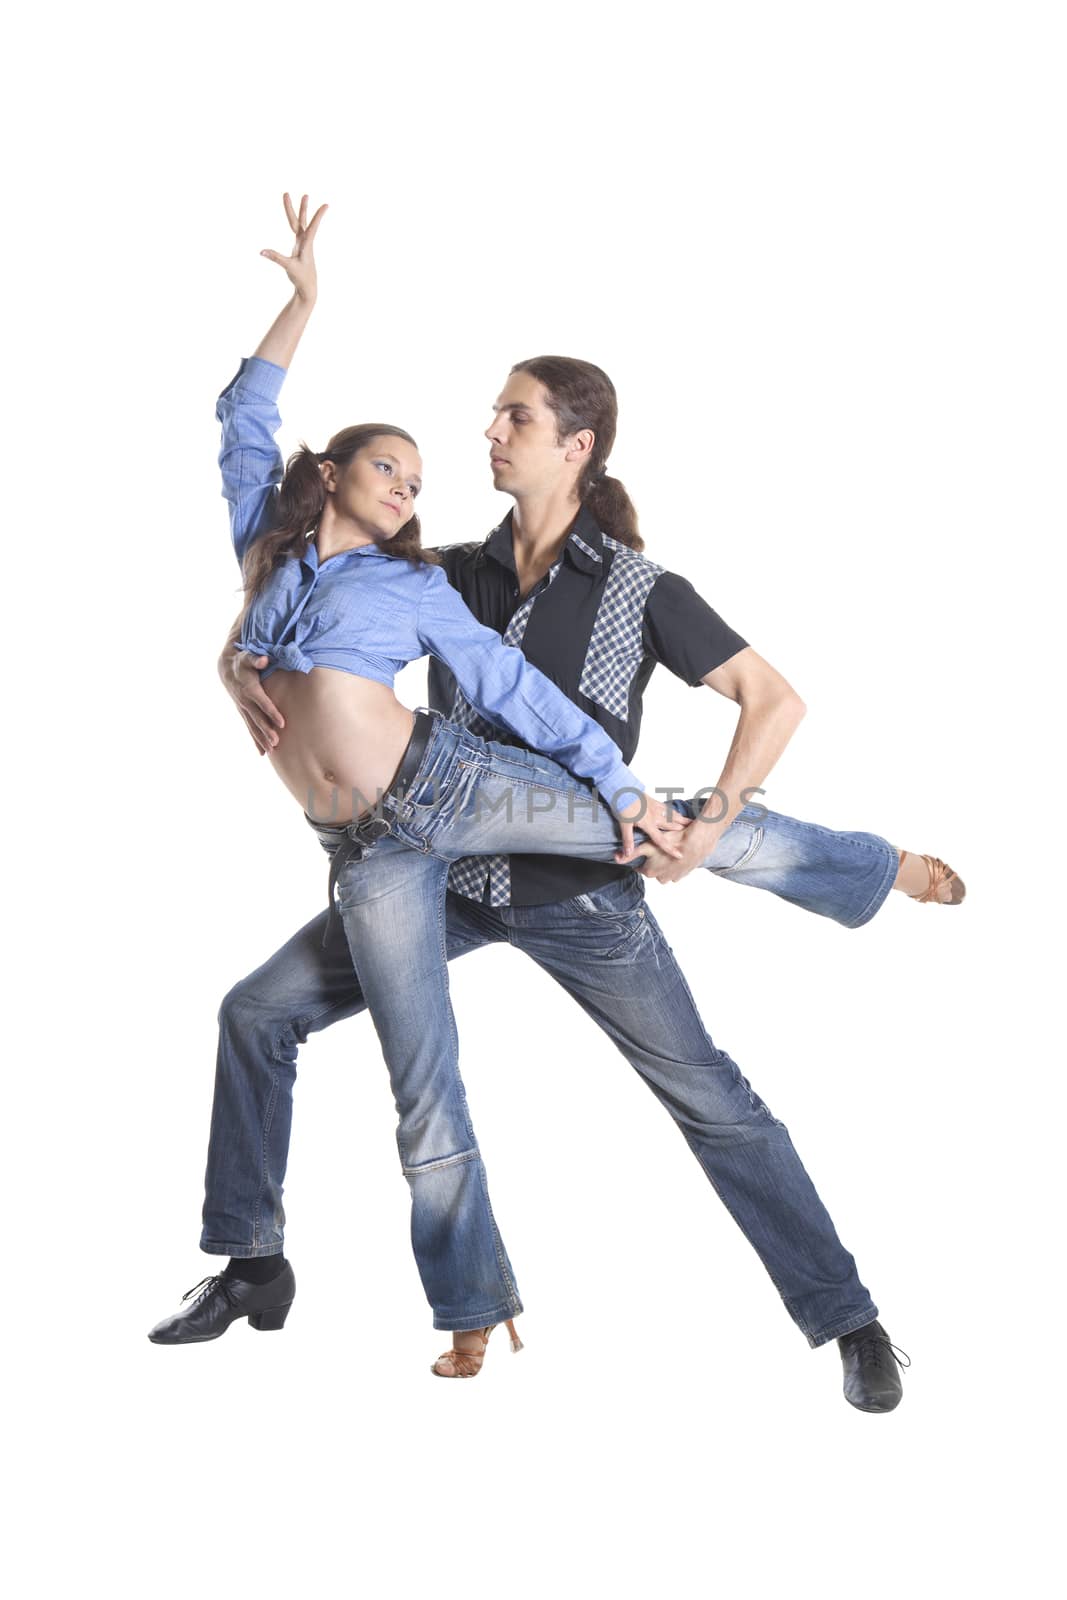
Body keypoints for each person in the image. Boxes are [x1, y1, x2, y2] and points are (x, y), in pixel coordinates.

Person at [151, 196, 958, 1410]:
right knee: (270, 1020)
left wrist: (675, 811)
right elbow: (275, 524)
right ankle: (278, 1264)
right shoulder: (444, 568)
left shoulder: (638, 584)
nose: (485, 434)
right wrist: (233, 653)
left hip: (577, 882)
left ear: (574, 444)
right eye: (474, 424)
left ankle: (849, 1316)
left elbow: (749, 700)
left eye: (511, 417)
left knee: (709, 1082)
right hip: (434, 866)